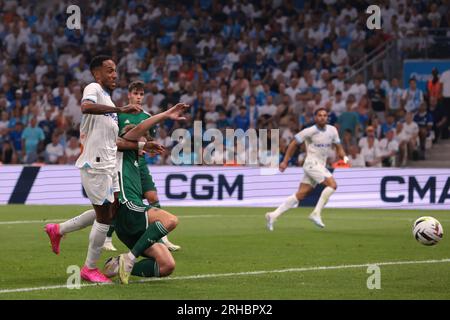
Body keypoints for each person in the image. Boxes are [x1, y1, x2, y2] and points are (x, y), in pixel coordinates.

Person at [45, 55, 142, 283]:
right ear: (97, 73)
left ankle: (58, 229)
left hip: (110, 164)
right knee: (104, 218)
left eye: (115, 70)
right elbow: (86, 106)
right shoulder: (94, 88)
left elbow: (113, 142)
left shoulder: (107, 101)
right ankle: (89, 268)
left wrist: (140, 145)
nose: (114, 74)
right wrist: (120, 108)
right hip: (96, 164)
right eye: (109, 70)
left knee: (112, 210)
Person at [103, 80, 181, 252]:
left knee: (153, 197)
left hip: (141, 162)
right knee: (118, 202)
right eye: (135, 94)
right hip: (123, 160)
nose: (138, 97)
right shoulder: (119, 115)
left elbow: (149, 140)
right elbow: (114, 140)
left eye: (141, 94)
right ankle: (107, 237)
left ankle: (163, 238)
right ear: (129, 94)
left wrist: (151, 146)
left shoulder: (147, 117)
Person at [265, 108, 348, 231]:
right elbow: (293, 144)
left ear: (327, 117)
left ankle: (273, 215)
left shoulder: (333, 130)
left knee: (302, 194)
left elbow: (339, 147)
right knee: (333, 185)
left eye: (325, 115)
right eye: (319, 115)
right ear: (315, 117)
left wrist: (344, 157)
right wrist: (285, 161)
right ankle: (316, 213)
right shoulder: (309, 131)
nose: (322, 117)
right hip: (311, 163)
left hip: (320, 165)